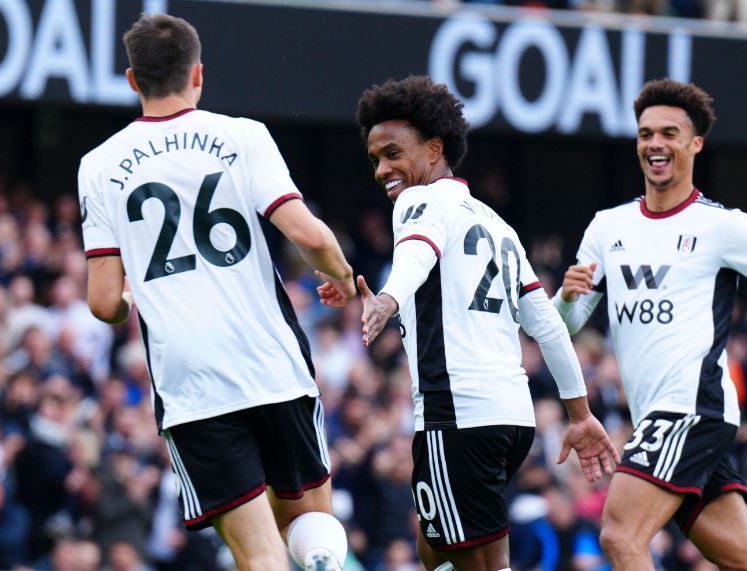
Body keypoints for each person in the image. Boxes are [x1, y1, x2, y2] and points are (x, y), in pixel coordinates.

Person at [78, 14, 354, 571]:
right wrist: (344, 279)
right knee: (311, 529)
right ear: (198, 74)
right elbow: (307, 236)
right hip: (271, 363)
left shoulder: (98, 165)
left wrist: (133, 297)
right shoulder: (243, 135)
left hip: (191, 385)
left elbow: (105, 303)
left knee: (259, 556)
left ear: (133, 80)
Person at [319, 75, 619, 571]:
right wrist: (580, 413)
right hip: (511, 420)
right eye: (375, 159)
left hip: (457, 417)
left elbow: (417, 254)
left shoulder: (418, 201)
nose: (382, 169)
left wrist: (388, 298)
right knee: (433, 546)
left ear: (434, 148)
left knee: (475, 560)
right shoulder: (496, 224)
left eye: (393, 153)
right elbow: (547, 326)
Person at [552, 78, 747, 570]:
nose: (655, 144)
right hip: (658, 414)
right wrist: (567, 298)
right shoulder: (607, 227)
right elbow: (565, 326)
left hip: (691, 408)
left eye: (669, 133)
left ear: (695, 144)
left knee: (620, 534)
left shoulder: (722, 225)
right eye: (646, 134)